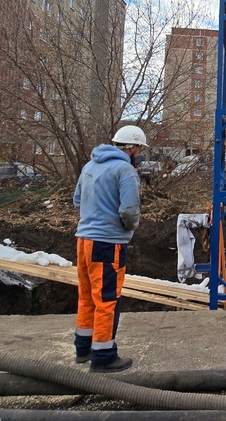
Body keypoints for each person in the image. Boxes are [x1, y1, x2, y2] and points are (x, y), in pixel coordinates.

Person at [73, 125, 147, 373]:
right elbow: (129, 210)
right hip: (108, 244)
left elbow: (77, 200)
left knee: (86, 295)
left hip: (84, 241)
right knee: (107, 300)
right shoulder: (124, 169)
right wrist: (129, 227)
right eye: (139, 149)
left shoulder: (90, 166)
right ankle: (103, 356)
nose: (139, 153)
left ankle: (83, 348)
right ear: (132, 147)